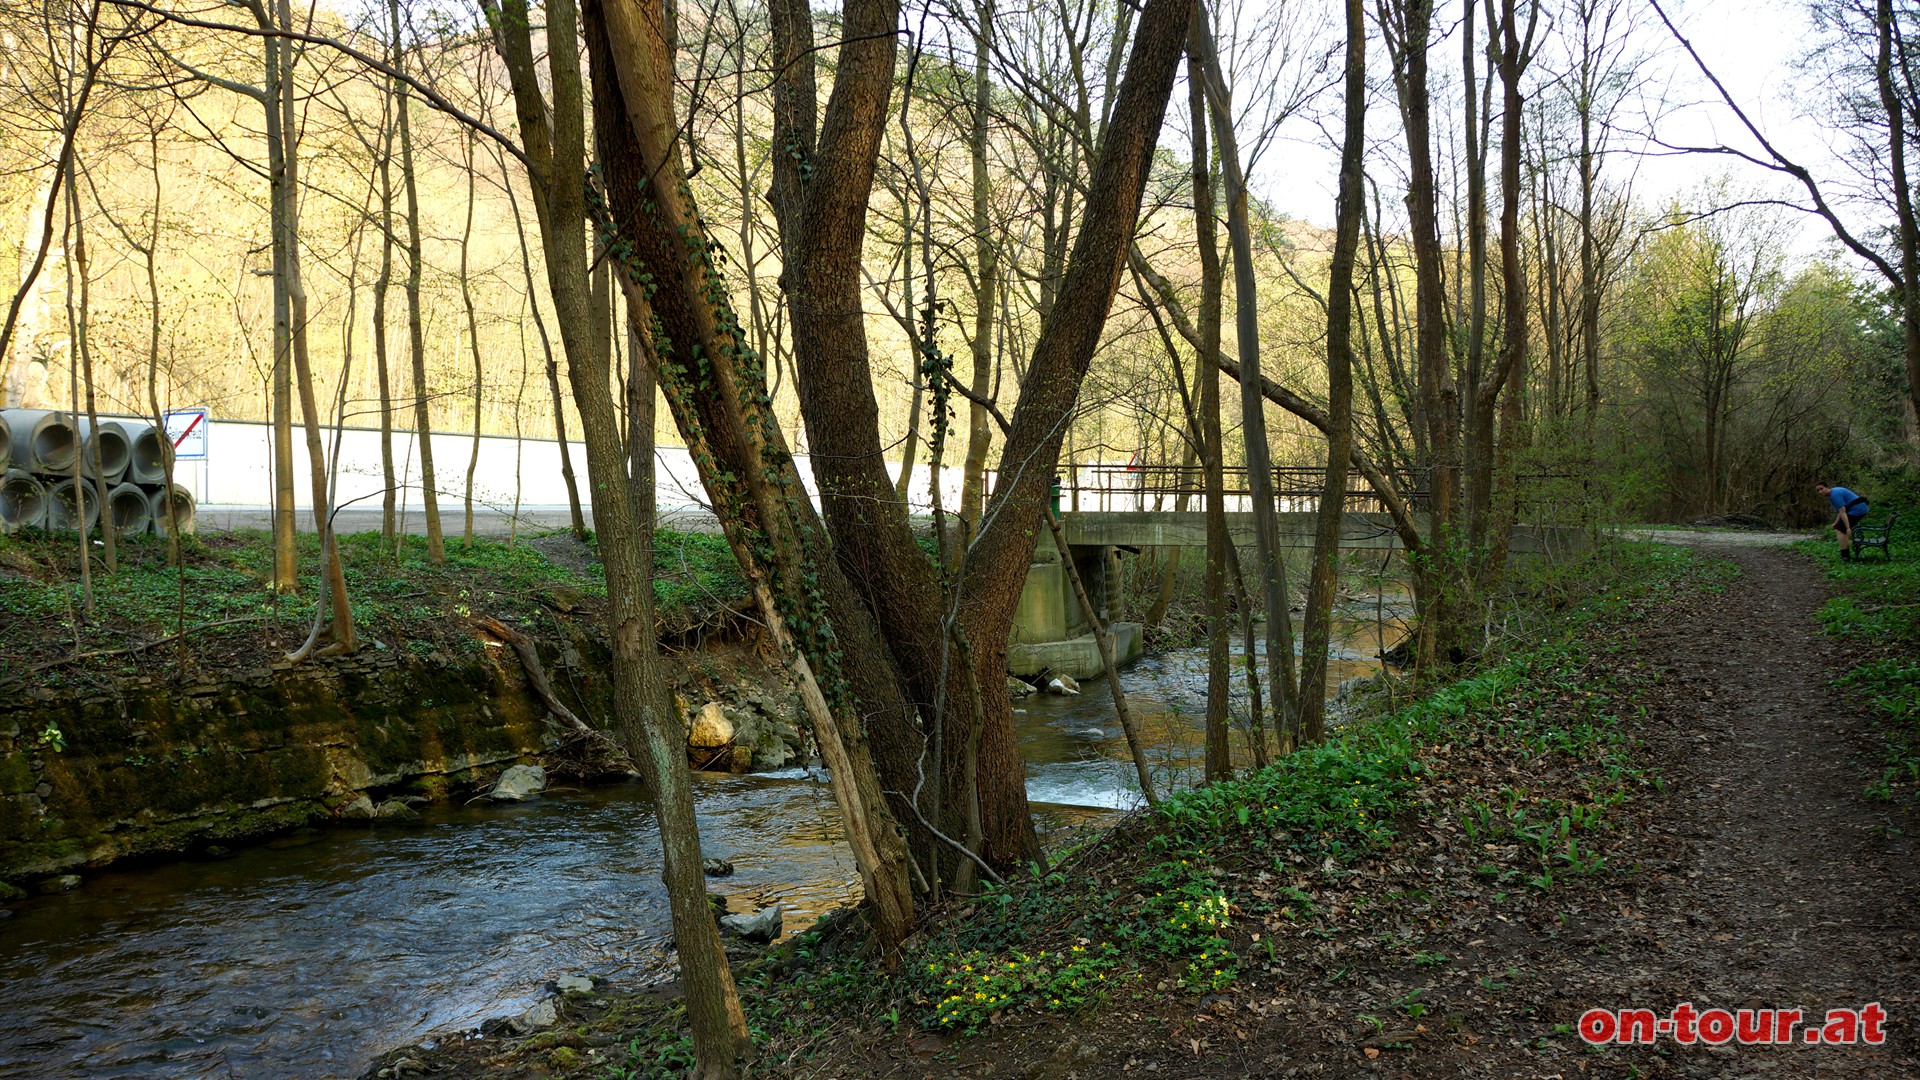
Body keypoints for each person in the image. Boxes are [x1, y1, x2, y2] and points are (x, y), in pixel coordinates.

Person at [1816, 483, 1870, 559]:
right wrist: (1836, 523)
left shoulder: (1834, 495)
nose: (1820, 492)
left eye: (1821, 489)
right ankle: (1845, 553)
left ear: (1828, 487)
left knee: (1840, 530)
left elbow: (1843, 511)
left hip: (1858, 509)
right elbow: (1841, 510)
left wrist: (1848, 528)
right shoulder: (1834, 492)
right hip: (1858, 508)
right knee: (1840, 528)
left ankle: (1845, 555)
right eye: (1818, 491)